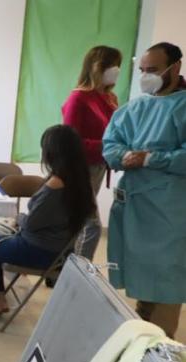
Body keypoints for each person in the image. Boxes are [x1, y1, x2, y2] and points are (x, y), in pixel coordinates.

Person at [0, 125, 96, 319]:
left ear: (52, 152)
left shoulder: (56, 185)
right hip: (58, 251)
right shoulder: (81, 182)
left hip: (38, 250)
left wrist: (18, 219)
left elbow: (31, 224)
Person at [103, 42, 186, 340]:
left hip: (170, 212)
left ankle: (161, 351)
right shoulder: (134, 108)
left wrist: (151, 158)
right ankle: (139, 343)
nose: (146, 76)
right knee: (142, 278)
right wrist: (122, 156)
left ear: (175, 67)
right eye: (142, 70)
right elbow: (111, 144)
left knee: (166, 281)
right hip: (135, 207)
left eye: (152, 70)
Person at [62, 45, 122, 261]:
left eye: (118, 66)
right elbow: (70, 141)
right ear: (97, 67)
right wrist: (109, 146)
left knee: (77, 223)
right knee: (92, 226)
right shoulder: (78, 97)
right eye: (112, 65)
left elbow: (115, 131)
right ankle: (79, 275)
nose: (116, 70)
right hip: (79, 168)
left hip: (98, 167)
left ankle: (62, 267)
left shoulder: (110, 98)